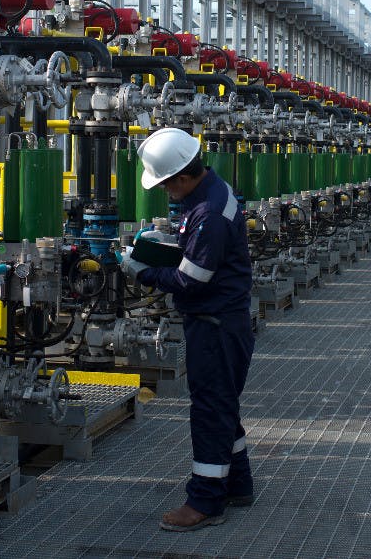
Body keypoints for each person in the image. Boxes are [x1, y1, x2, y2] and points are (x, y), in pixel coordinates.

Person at [121, 128, 255, 532]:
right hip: (225, 320)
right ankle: (238, 482)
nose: (164, 192)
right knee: (222, 405)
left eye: (164, 184)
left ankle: (205, 500)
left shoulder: (208, 214)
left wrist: (143, 271)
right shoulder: (211, 194)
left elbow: (191, 281)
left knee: (211, 409)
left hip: (214, 326)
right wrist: (171, 243)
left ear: (181, 177)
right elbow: (199, 254)